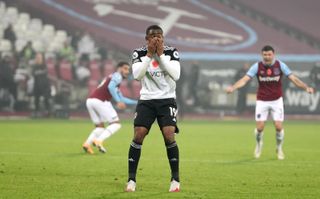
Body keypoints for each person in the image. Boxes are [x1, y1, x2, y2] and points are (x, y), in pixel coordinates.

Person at [226, 45, 314, 160]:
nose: (267, 57)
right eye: (265, 54)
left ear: (273, 54)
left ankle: (279, 148)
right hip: (262, 100)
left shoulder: (280, 65)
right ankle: (258, 145)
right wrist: (233, 87)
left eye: (269, 54)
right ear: (262, 55)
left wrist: (305, 87)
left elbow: (294, 79)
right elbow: (244, 80)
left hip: (276, 100)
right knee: (260, 128)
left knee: (278, 126)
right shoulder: (256, 66)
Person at [125, 25, 181, 192]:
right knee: (138, 135)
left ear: (163, 37)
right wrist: (149, 54)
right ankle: (131, 180)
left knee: (169, 135)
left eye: (159, 36)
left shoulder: (172, 52)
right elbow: (137, 75)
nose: (157, 39)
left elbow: (176, 75)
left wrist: (161, 54)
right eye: (153, 36)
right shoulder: (139, 53)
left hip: (167, 100)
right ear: (146, 39)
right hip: (147, 100)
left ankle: (175, 179)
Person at [82, 61, 137, 154]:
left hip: (91, 101)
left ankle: (87, 145)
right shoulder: (117, 76)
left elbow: (122, 98)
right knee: (116, 124)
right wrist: (118, 101)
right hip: (100, 101)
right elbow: (111, 87)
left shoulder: (114, 78)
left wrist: (138, 102)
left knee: (100, 127)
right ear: (119, 68)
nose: (127, 71)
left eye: (128, 69)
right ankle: (99, 140)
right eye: (125, 68)